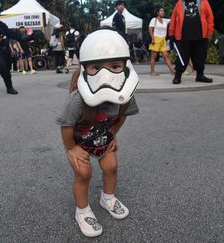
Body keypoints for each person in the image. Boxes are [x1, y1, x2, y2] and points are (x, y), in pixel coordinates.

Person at [56, 29, 139, 238]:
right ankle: (82, 211)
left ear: (125, 66)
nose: (106, 74)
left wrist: (113, 134)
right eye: (96, 67)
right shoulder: (77, 99)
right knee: (84, 173)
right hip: (79, 142)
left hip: (103, 137)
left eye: (114, 66)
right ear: (85, 69)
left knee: (111, 166)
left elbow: (122, 116)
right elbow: (66, 125)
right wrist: (71, 148)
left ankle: (107, 197)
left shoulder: (125, 96)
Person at [169, 0, 214, 84]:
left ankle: (200, 76)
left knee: (200, 57)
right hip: (183, 37)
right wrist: (171, 34)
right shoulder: (180, 3)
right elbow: (173, 19)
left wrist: (210, 32)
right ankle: (177, 76)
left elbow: (210, 17)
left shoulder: (203, 1)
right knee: (181, 58)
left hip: (200, 36)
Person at [148, 7, 175, 76]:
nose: (163, 12)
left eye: (163, 11)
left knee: (166, 56)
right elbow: (150, 29)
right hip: (156, 39)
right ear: (157, 12)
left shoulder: (165, 20)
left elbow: (174, 19)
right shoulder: (154, 20)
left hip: (163, 40)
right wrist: (153, 39)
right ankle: (152, 71)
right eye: (161, 11)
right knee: (153, 56)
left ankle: (172, 71)